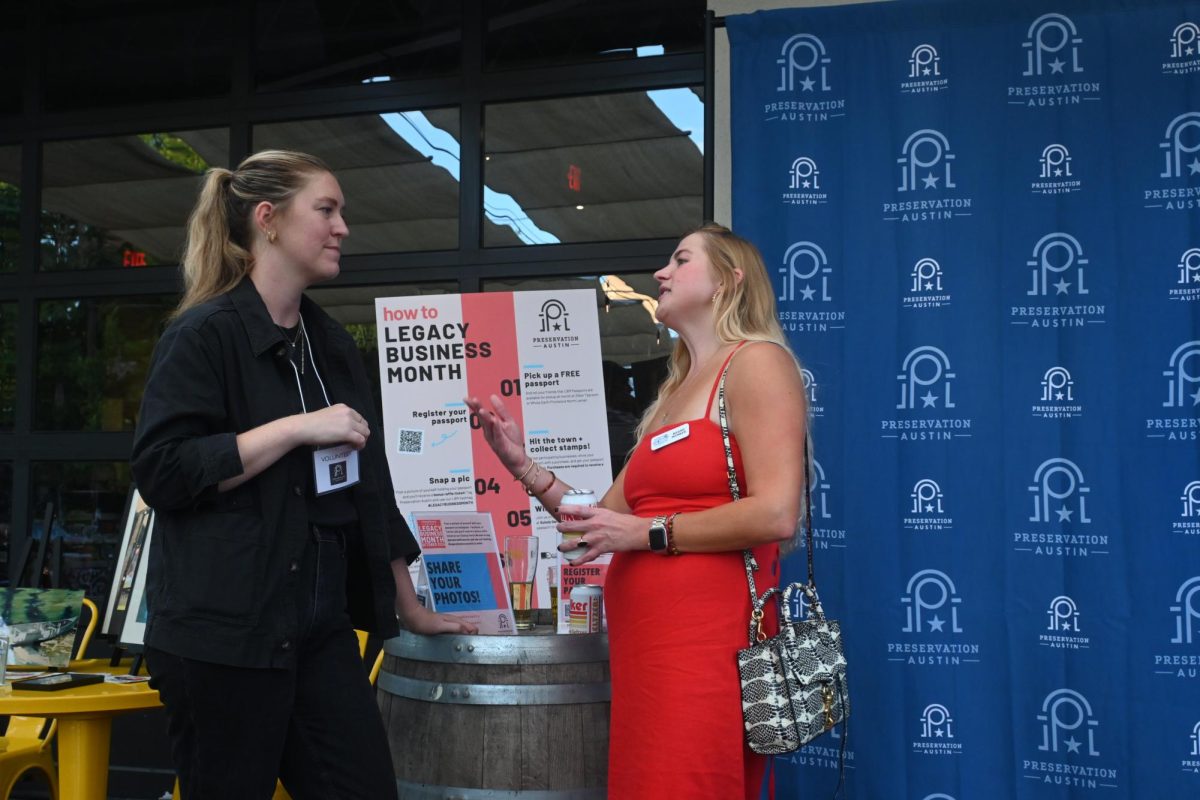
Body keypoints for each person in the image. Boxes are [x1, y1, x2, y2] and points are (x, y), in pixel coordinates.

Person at [132, 149, 475, 800]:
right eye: (326, 209)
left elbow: (368, 488)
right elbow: (164, 470)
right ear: (268, 219)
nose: (342, 226)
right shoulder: (204, 335)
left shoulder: (331, 345)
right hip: (225, 632)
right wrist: (296, 428)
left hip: (317, 628)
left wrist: (410, 606)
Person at [465, 223, 808, 799]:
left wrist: (647, 533)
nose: (660, 274)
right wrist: (521, 465)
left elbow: (777, 513)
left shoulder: (756, 362)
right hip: (648, 647)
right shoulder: (673, 393)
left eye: (680, 260)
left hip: (707, 645)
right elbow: (597, 522)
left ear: (729, 280)